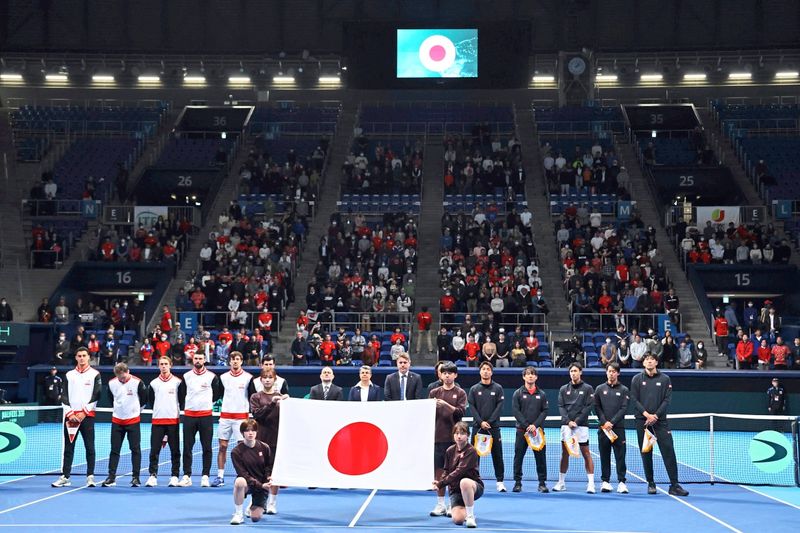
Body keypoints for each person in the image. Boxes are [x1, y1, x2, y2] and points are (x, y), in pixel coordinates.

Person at [630, 353, 689, 496]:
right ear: (643, 363)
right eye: (647, 360)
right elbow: (634, 399)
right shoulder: (637, 379)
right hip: (643, 422)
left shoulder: (665, 379)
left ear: (656, 362)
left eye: (652, 359)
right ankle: (651, 483)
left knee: (669, 451)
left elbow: (667, 400)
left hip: (660, 422)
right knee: (646, 452)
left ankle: (674, 485)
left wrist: (655, 416)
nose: (649, 362)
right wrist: (647, 415)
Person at [52, 347, 102, 487]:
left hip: (87, 417)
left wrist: (83, 412)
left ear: (88, 357)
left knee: (90, 447)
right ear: (76, 357)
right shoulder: (69, 375)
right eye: (79, 356)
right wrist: (70, 413)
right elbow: (64, 395)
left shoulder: (95, 374)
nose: (81, 358)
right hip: (71, 418)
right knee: (68, 448)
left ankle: (90, 477)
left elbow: (97, 394)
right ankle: (65, 476)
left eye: (84, 355)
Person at [429, 362, 468, 517]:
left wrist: (445, 405)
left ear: (455, 375)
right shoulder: (434, 392)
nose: (447, 376)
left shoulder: (460, 393)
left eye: (450, 373)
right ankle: (440, 505)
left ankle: (454, 504)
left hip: (455, 441)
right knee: (439, 473)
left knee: (454, 473)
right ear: (441, 375)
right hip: (437, 438)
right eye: (444, 373)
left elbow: (460, 413)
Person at [179, 352, 222, 487]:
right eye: (196, 358)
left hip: (206, 416)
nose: (198, 360)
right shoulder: (186, 376)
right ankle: (187, 476)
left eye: (200, 358)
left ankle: (205, 476)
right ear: (193, 360)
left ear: (204, 360)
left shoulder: (212, 377)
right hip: (189, 416)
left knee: (207, 447)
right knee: (187, 447)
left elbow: (216, 395)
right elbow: (182, 394)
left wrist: (205, 404)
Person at [101, 362, 147, 487]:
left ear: (128, 372)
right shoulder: (111, 383)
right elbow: (111, 399)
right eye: (119, 377)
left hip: (133, 422)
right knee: (114, 450)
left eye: (124, 377)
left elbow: (144, 400)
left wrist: (135, 412)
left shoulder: (138, 383)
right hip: (117, 422)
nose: (122, 379)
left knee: (135, 450)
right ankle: (111, 477)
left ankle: (136, 478)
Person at [212, 351, 254, 487]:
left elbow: (252, 397)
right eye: (232, 359)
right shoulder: (223, 378)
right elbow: (217, 395)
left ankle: (242, 475)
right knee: (222, 447)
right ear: (229, 361)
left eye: (237, 359)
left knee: (242, 448)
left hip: (241, 418)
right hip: (225, 417)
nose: (235, 361)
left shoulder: (248, 378)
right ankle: (220, 476)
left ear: (241, 361)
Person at [249, 369, 287, 515]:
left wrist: (288, 403)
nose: (267, 380)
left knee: (274, 474)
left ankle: (272, 503)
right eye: (264, 377)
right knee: (258, 474)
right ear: (261, 380)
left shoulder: (281, 398)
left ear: (274, 379)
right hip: (260, 441)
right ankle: (256, 502)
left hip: (277, 440)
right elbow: (257, 415)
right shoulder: (255, 397)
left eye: (270, 377)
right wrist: (272, 403)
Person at [554, 362, 596, 493]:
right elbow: (561, 406)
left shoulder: (588, 388)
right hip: (567, 427)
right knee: (565, 453)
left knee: (586, 453)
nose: (573, 373)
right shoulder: (563, 389)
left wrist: (577, 421)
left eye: (575, 371)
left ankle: (591, 484)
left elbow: (588, 407)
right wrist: (568, 421)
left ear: (580, 372)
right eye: (571, 371)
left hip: (581, 426)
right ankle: (561, 482)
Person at [432, 421, 483, 528]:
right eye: (456, 433)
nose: (459, 436)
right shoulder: (450, 451)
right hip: (456, 491)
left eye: (462, 433)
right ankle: (462, 507)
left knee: (464, 482)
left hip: (473, 487)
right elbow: (446, 471)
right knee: (458, 520)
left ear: (468, 435)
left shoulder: (471, 451)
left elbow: (459, 471)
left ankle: (470, 516)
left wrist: (440, 484)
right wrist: (439, 481)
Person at [467, 361, 506, 492]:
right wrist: (480, 422)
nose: (485, 371)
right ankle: (474, 480)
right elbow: (472, 407)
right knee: (474, 456)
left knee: (497, 455)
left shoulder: (498, 388)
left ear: (491, 372)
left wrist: (489, 421)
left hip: (493, 428)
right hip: (478, 428)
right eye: (483, 369)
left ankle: (500, 482)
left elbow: (499, 407)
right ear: (480, 372)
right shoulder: (474, 389)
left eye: (488, 369)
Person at [145, 356, 183, 487]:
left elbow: (181, 400)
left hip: (173, 421)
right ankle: (152, 476)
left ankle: (174, 476)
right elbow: (151, 401)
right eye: (161, 364)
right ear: (158, 366)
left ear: (170, 365)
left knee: (175, 451)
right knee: (154, 451)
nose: (164, 366)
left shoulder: (177, 382)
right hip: (157, 422)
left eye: (166, 364)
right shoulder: (153, 383)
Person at [511, 366, 549, 493]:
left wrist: (535, 425)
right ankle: (517, 483)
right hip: (522, 431)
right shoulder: (517, 393)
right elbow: (516, 411)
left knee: (541, 458)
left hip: (537, 432)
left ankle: (542, 483)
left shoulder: (542, 394)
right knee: (518, 457)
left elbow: (544, 411)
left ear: (536, 377)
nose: (530, 376)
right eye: (528, 374)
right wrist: (527, 425)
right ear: (524, 377)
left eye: (533, 374)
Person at [594, 363, 629, 494]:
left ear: (618, 373)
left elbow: (624, 408)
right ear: (606, 372)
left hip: (618, 428)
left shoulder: (624, 390)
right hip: (603, 429)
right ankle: (605, 482)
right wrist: (605, 422)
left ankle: (621, 482)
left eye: (614, 371)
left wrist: (612, 422)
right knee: (604, 456)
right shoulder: (599, 389)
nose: (611, 373)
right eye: (609, 371)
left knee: (620, 456)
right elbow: (597, 407)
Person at [229, 419, 273, 525]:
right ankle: (238, 514)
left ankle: (253, 504)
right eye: (247, 430)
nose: (250, 433)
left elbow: (268, 466)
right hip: (248, 484)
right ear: (242, 433)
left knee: (255, 518)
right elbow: (242, 473)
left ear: (256, 432)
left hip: (262, 485)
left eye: (253, 430)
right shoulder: (236, 452)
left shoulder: (264, 447)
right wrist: (260, 485)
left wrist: (268, 478)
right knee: (239, 481)